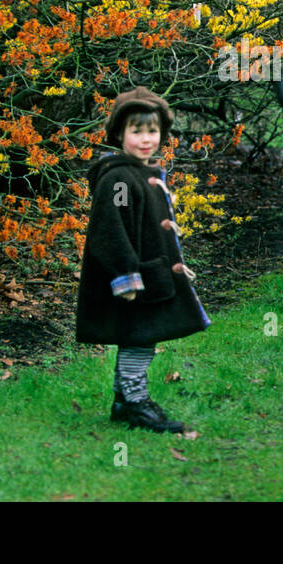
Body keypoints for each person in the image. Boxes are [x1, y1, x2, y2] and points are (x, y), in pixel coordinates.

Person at [75, 87, 210, 434]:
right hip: (131, 277)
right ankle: (137, 403)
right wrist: (126, 276)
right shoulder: (119, 180)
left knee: (139, 335)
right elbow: (111, 230)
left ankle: (123, 401)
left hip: (148, 272)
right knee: (138, 337)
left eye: (152, 131)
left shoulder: (143, 172)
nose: (146, 139)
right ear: (120, 134)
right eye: (137, 131)